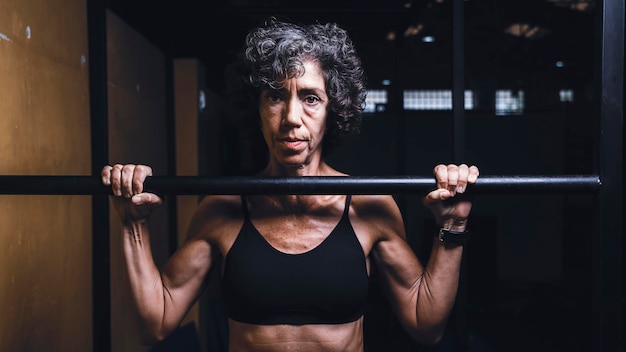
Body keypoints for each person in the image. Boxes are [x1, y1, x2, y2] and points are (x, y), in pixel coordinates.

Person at [101, 17, 480, 351]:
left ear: (334, 110)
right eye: (276, 96)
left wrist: (453, 226)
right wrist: (134, 224)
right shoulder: (224, 206)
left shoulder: (369, 204)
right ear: (259, 108)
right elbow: (155, 324)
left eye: (310, 98)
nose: (291, 117)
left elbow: (425, 324)